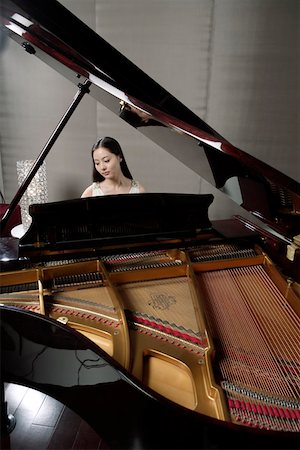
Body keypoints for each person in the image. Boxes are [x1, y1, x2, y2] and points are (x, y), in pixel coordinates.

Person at [81, 136, 145, 197]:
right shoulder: (91, 193)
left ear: (119, 157)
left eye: (106, 160)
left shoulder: (138, 190)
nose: (102, 167)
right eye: (97, 163)